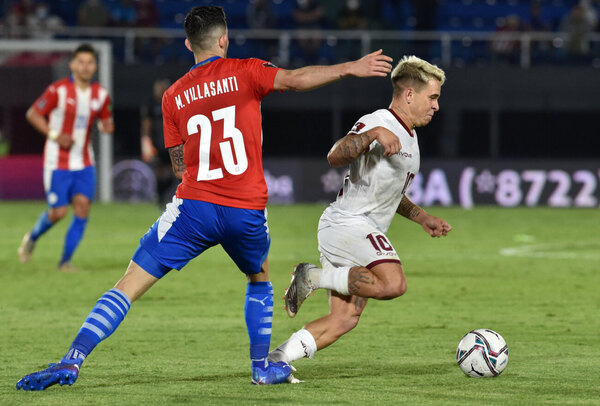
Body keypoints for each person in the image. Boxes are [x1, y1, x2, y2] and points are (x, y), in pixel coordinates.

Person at [15, 5, 392, 390]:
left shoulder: (173, 96)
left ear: (187, 44)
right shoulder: (246, 71)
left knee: (127, 284)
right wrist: (349, 67)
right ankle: (261, 367)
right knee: (258, 277)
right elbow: (295, 79)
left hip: (194, 208)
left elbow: (179, 167)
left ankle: (72, 360)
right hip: (245, 210)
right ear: (224, 39)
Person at [269, 56, 452, 376]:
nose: (436, 105)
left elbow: (391, 194)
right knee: (393, 284)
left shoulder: (410, 137)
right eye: (432, 97)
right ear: (409, 94)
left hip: (348, 229)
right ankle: (313, 277)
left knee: (343, 320)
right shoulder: (380, 121)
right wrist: (373, 134)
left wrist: (422, 217)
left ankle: (276, 360)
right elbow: (335, 155)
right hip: (350, 224)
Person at [17, 44, 113, 272]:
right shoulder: (57, 90)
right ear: (72, 65)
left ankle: (65, 262)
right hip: (57, 162)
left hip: (85, 162)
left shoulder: (100, 94)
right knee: (58, 213)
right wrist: (55, 135)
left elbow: (106, 120)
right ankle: (32, 237)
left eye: (90, 62)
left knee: (82, 208)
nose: (85, 66)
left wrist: (107, 125)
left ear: (95, 66)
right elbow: (33, 113)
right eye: (81, 62)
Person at [140, 78, 176, 207]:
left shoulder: (173, 103)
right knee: (159, 170)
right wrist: (147, 142)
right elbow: (147, 125)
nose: (159, 92)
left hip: (172, 142)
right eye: (158, 89)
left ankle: (166, 194)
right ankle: (159, 197)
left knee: (174, 171)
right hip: (158, 143)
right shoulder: (151, 105)